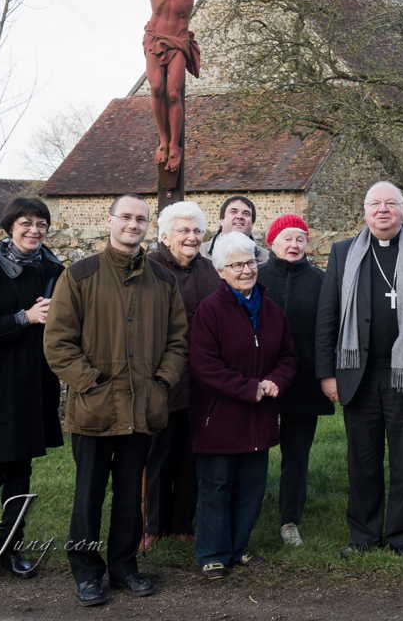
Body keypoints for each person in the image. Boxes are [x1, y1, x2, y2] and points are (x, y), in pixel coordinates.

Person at [44, 194, 188, 607]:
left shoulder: (163, 280)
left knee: (129, 493)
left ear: (148, 226)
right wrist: (91, 383)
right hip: (94, 407)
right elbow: (58, 343)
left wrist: (162, 382)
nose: (132, 225)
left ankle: (124, 566)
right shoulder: (80, 275)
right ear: (109, 221)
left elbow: (178, 340)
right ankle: (86, 570)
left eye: (140, 219)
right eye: (125, 217)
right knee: (88, 492)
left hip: (144, 407)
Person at [315, 181, 403, 558]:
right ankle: (362, 535)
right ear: (364, 211)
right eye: (375, 204)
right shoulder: (344, 253)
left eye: (390, 204)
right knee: (362, 461)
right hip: (358, 374)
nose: (383, 210)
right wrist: (327, 373)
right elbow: (327, 317)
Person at [0, 197, 64, 588]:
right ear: (10, 227)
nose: (34, 230)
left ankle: (11, 547)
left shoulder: (54, 270)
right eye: (26, 223)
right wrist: (25, 317)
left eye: (41, 224)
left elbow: (65, 322)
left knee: (21, 470)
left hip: (34, 382)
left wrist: (55, 315)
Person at [105, 0, 246, 172]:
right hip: (155, 38)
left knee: (173, 92)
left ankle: (175, 145)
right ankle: (163, 140)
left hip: (179, 40)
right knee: (155, 88)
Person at [189, 232, 296, 580]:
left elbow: (287, 356)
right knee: (217, 486)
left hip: (260, 415)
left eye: (249, 262)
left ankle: (237, 548)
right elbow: (205, 365)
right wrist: (249, 388)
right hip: (219, 416)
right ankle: (212, 553)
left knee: (251, 486)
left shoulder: (272, 310)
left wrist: (276, 381)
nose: (245, 270)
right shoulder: (209, 311)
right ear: (220, 271)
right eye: (235, 265)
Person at [142, 201, 222, 551]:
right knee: (155, 456)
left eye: (196, 231)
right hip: (159, 378)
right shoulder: (148, 268)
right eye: (183, 230)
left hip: (200, 380)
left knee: (191, 455)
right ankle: (150, 525)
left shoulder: (209, 270)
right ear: (164, 235)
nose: (191, 237)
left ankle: (181, 523)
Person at [258, 213, 333, 547]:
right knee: (252, 450)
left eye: (300, 238)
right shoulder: (256, 278)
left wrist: (327, 374)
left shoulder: (321, 281)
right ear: (272, 242)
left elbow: (329, 331)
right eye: (287, 238)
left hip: (304, 380)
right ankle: (247, 511)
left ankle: (290, 519)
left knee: (296, 455)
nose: (293, 244)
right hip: (260, 380)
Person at [200, 195, 261, 261]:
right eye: (233, 212)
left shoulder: (265, 258)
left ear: (252, 223)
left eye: (246, 213)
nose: (239, 216)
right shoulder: (200, 253)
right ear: (221, 219)